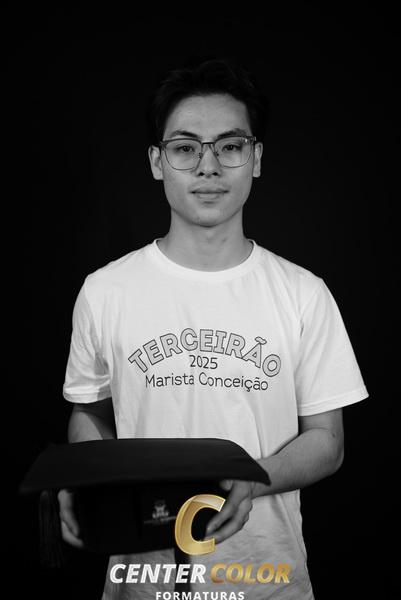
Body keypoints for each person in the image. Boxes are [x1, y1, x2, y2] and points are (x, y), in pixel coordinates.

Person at [58, 58, 368, 599]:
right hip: (144, 580)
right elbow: (89, 412)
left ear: (256, 158)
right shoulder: (106, 291)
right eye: (185, 148)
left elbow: (328, 441)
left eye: (229, 146)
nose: (208, 167)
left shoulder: (303, 293)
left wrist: (256, 476)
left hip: (266, 581)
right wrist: (86, 478)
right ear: (157, 162)